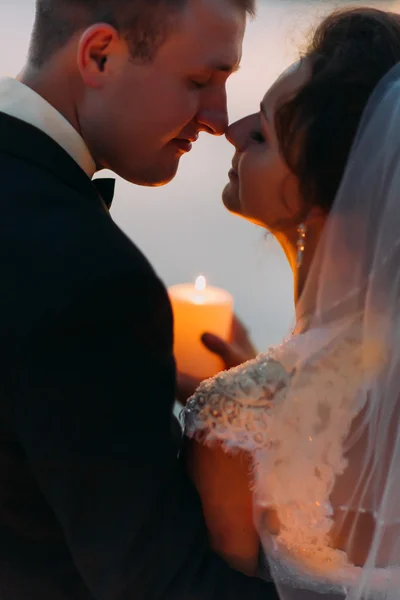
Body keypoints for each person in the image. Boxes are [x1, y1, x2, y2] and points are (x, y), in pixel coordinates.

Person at [0, 0, 282, 599]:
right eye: (200, 81)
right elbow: (159, 582)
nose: (219, 118)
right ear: (99, 54)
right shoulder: (90, 275)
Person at [184, 7, 400, 599]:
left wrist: (244, 398)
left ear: (321, 199)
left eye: (263, 134)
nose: (232, 130)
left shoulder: (235, 423)